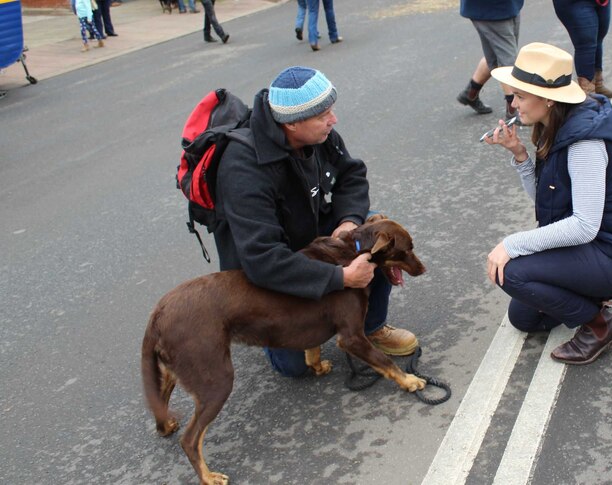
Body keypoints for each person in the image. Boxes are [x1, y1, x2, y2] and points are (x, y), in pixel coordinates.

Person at [212, 66, 419, 376]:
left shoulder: (320, 134)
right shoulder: (243, 168)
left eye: (330, 110)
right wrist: (341, 278)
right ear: (293, 123)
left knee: (372, 239)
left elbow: (351, 174)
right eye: (324, 115)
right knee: (295, 368)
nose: (333, 120)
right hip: (268, 264)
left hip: (314, 236)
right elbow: (262, 258)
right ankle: (288, 322)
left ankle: (370, 326)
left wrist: (348, 222)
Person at [483, 43, 612, 365]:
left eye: (521, 96)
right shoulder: (556, 125)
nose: (513, 103)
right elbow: (548, 202)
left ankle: (601, 326)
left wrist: (511, 243)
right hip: (599, 244)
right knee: (526, 319)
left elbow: (584, 225)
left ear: (548, 99)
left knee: (512, 272)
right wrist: (521, 156)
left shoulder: (584, 142)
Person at [457, 0, 523, 118]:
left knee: (498, 55)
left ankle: (471, 93)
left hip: (507, 6)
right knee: (507, 60)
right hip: (491, 8)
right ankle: (513, 109)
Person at [552, 0, 612, 98]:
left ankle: (598, 85)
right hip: (575, 3)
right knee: (586, 44)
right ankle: (588, 94)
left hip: (601, 2)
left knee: (598, 38)